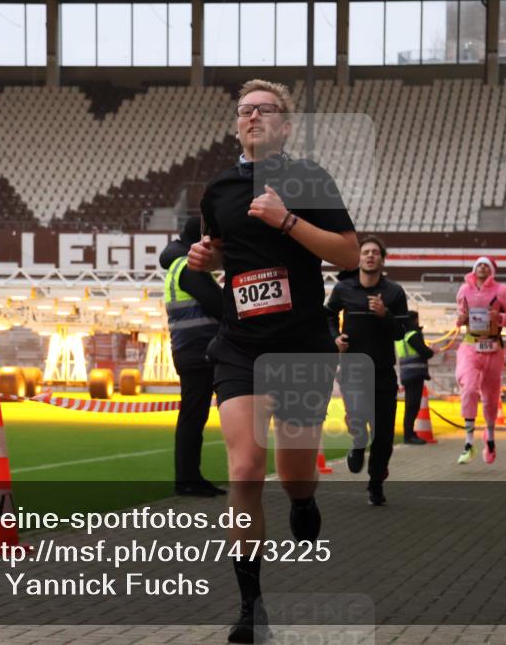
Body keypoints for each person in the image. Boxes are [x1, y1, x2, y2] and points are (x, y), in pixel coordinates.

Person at [188, 79, 358, 644]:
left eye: (266, 110)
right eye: (245, 111)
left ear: (285, 126)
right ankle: (250, 605)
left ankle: (304, 503)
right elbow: (217, 255)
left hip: (303, 343)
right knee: (244, 470)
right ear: (238, 125)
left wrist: (286, 219)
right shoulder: (218, 190)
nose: (254, 117)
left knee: (294, 472)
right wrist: (205, 257)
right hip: (240, 345)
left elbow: (348, 254)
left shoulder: (309, 179)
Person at [326, 235, 409, 505]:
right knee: (359, 419)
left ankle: (375, 484)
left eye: (375, 252)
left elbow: (401, 333)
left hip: (383, 371)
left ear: (382, 260)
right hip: (352, 370)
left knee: (384, 437)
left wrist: (385, 314)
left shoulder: (394, 293)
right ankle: (358, 444)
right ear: (359, 258)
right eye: (366, 252)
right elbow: (327, 315)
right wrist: (335, 337)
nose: (370, 256)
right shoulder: (343, 289)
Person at [160, 217, 227, 498]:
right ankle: (187, 479)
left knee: (193, 416)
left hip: (192, 350)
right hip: (198, 352)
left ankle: (190, 477)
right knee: (192, 417)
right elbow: (220, 306)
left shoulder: (180, 266)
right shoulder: (188, 266)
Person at [454, 257, 506, 465]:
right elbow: (460, 314)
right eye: (479, 264)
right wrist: (461, 319)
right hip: (470, 345)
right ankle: (468, 442)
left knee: (491, 396)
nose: (482, 267)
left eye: (486, 265)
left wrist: (499, 317)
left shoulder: (502, 291)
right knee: (469, 388)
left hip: (494, 347)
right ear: (474, 269)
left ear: (492, 270)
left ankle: (490, 436)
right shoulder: (463, 290)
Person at [396, 310, 435, 444]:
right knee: (412, 406)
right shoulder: (413, 335)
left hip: (407, 374)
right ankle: (409, 435)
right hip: (415, 374)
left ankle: (409, 434)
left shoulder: (402, 336)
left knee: (410, 406)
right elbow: (425, 353)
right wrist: (431, 350)